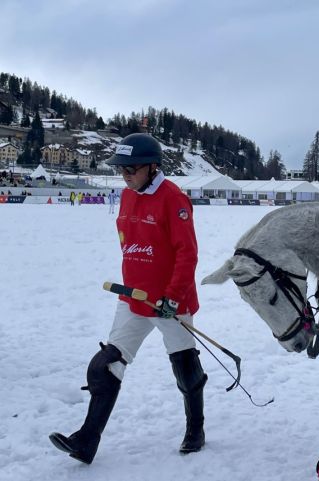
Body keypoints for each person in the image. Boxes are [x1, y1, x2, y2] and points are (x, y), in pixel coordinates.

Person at [49, 133, 207, 464]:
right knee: (105, 365)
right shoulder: (127, 195)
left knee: (185, 368)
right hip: (133, 298)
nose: (125, 176)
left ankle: (196, 429)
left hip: (169, 302)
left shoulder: (173, 199)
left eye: (131, 170)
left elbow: (187, 253)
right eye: (121, 170)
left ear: (152, 167)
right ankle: (86, 441)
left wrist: (172, 297)